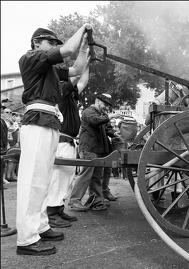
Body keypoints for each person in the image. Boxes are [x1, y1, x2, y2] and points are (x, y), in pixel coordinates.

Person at [16, 25, 91, 256]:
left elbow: (77, 68)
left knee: (43, 180)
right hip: (37, 121)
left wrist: (86, 50)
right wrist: (83, 28)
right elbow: (68, 49)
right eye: (51, 42)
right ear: (37, 42)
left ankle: (39, 226)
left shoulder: (47, 69)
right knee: (32, 180)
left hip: (48, 122)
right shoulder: (30, 58)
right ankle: (26, 239)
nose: (55, 46)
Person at [45, 56, 91, 228]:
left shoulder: (70, 95)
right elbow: (77, 76)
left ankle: (58, 209)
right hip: (62, 140)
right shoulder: (61, 90)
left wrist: (88, 63)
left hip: (70, 140)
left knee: (67, 177)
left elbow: (83, 80)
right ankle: (51, 212)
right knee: (58, 177)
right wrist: (84, 58)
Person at [68, 93, 121, 212]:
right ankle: (75, 200)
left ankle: (96, 201)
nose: (106, 107)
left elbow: (107, 129)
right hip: (89, 149)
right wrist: (110, 117)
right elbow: (95, 121)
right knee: (86, 174)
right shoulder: (88, 112)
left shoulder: (101, 114)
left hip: (97, 149)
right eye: (105, 104)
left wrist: (115, 134)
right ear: (97, 101)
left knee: (97, 176)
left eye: (108, 105)